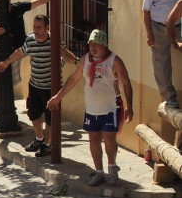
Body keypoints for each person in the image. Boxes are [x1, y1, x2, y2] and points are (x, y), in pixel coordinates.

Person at [47, 30, 133, 187]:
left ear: (105, 45)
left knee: (108, 140)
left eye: (97, 45)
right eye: (91, 44)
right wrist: (58, 97)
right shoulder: (86, 60)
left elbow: (126, 84)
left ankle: (112, 167)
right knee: (93, 139)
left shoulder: (114, 61)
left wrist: (130, 107)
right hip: (92, 108)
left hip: (111, 108)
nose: (93, 48)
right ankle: (99, 172)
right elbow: (74, 78)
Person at [0, 15, 63, 158]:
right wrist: (6, 63)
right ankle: (39, 138)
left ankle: (47, 144)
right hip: (35, 84)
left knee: (50, 118)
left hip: (51, 87)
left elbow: (64, 57)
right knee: (33, 114)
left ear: (47, 28)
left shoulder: (54, 41)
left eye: (39, 27)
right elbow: (20, 52)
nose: (36, 30)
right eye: (34, 27)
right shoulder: (31, 40)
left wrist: (78, 62)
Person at [0, 0, 68, 88]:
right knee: (3, 84)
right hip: (8, 52)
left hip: (22, 46)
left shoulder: (17, 8)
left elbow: (39, 0)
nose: (0, 2)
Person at [142, 0, 182, 108]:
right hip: (158, 27)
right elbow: (146, 11)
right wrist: (148, 34)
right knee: (161, 62)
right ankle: (169, 95)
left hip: (179, 24)